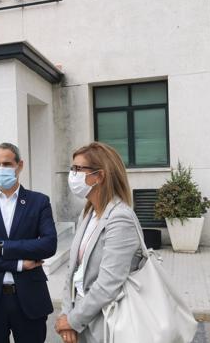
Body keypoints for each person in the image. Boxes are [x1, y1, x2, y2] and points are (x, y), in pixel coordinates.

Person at [0, 142, 57, 343]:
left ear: (20, 165)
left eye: (7, 163)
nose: (1, 169)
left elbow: (49, 245)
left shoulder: (39, 202)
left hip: (30, 298)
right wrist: (19, 264)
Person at [55, 142, 143, 343]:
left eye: (78, 169)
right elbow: (73, 271)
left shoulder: (120, 218)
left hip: (106, 323)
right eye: (72, 168)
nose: (72, 175)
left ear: (99, 176)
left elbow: (108, 284)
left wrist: (73, 321)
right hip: (82, 316)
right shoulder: (88, 213)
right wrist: (66, 314)